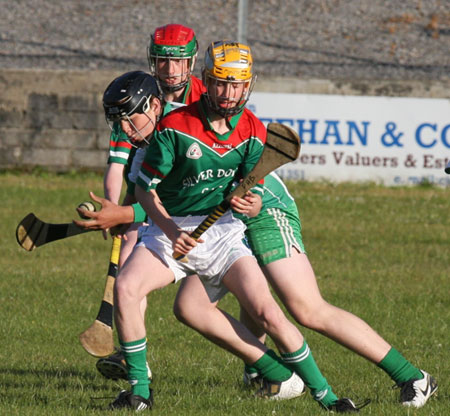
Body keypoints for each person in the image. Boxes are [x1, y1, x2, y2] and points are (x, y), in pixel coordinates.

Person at [104, 40, 358, 412]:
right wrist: (172, 231)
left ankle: (329, 399)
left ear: (248, 85)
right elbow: (144, 192)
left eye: (237, 85)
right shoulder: (175, 128)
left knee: (268, 313)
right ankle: (140, 392)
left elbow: (248, 192)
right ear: (206, 81)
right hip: (170, 230)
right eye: (221, 83)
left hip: (223, 233)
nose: (228, 93)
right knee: (126, 287)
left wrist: (250, 203)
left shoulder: (254, 131)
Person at [174, 171, 438, 409]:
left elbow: (251, 162)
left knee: (308, 309)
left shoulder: (180, 127)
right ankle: (270, 373)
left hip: (264, 210)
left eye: (133, 115)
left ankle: (413, 377)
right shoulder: (143, 144)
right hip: (219, 216)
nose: (130, 124)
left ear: (155, 112)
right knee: (192, 306)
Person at [95, 23, 206, 381]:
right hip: (147, 186)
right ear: (152, 60)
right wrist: (112, 209)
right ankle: (130, 355)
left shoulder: (206, 96)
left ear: (191, 62)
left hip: (197, 195)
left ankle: (261, 366)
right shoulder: (135, 93)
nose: (170, 71)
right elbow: (117, 164)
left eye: (179, 63)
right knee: (128, 256)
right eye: (162, 62)